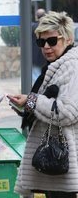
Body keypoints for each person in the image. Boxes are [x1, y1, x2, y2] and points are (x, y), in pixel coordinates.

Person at [7, 11, 78, 198]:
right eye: (41, 42)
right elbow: (47, 105)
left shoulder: (72, 66)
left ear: (68, 39)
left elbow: (67, 111)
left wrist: (31, 100)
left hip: (62, 157)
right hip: (56, 157)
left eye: (52, 41)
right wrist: (25, 104)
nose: (46, 47)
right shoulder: (57, 66)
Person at [32, 8, 46, 83]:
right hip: (45, 56)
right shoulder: (47, 27)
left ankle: (37, 92)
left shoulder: (32, 27)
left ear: (36, 16)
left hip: (35, 56)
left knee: (36, 76)